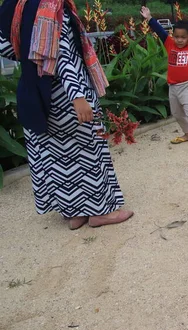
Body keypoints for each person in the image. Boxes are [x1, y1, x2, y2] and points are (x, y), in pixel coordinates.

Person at [0, 0, 134, 229]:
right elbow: (61, 53)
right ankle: (100, 212)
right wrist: (78, 96)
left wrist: (33, 58)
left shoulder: (16, 5)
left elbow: (6, 47)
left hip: (34, 94)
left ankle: (75, 214)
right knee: (89, 149)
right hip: (65, 94)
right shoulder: (51, 5)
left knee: (59, 156)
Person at [140, 5, 188, 153]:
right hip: (173, 87)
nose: (179, 40)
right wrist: (149, 18)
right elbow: (159, 31)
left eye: (183, 37)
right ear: (173, 35)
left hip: (187, 86)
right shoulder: (169, 43)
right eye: (177, 36)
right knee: (177, 114)